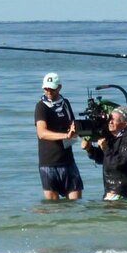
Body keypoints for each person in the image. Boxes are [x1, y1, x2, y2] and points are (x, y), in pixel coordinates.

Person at [34, 72, 83, 200]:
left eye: (52, 88)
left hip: (68, 161)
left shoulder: (65, 103)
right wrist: (65, 136)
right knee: (53, 207)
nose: (48, 91)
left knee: (76, 202)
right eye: (46, 88)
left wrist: (75, 131)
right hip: (48, 163)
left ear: (59, 87)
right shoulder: (41, 106)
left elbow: (72, 125)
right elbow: (42, 133)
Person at [82, 106, 127, 200]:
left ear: (125, 124)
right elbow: (103, 159)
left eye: (115, 120)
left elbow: (119, 163)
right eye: (110, 119)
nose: (110, 122)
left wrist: (105, 148)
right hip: (111, 188)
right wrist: (90, 149)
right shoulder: (111, 137)